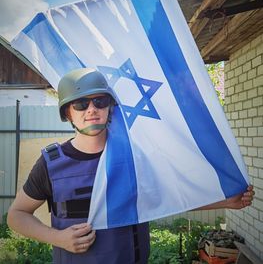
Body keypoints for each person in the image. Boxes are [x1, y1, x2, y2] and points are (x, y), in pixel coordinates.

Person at [7, 68, 254, 264]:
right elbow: (16, 215)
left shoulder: (136, 158)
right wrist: (58, 238)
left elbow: (171, 197)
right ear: (68, 113)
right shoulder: (51, 164)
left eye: (100, 101)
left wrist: (225, 201)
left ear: (110, 107)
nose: (91, 109)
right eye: (81, 104)